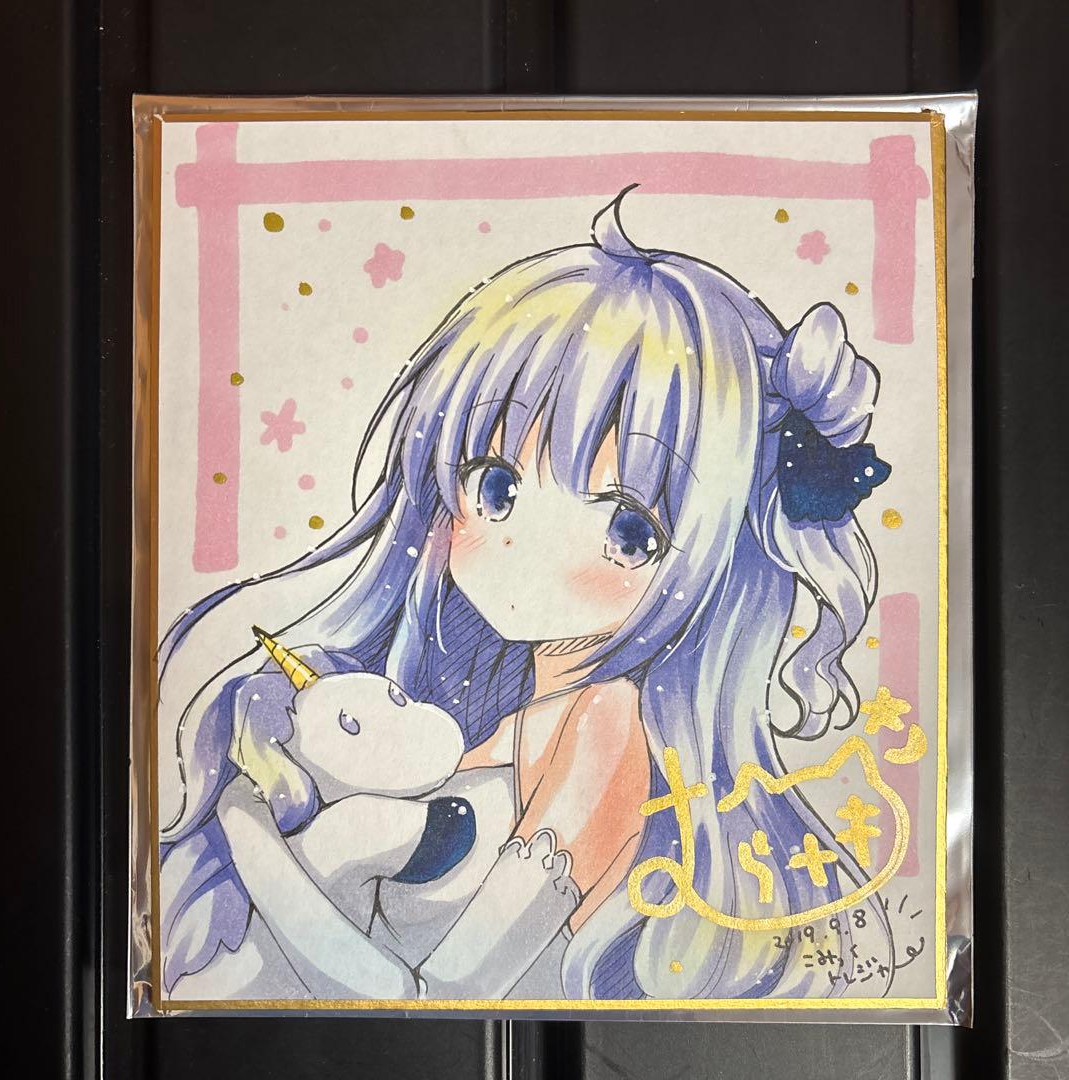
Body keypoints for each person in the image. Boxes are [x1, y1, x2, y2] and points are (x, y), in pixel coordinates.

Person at [157, 188, 892, 1002]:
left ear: (712, 562)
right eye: (496, 486)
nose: (521, 548)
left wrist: (250, 834)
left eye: (630, 531)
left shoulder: (604, 721)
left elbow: (444, 994)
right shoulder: (496, 718)